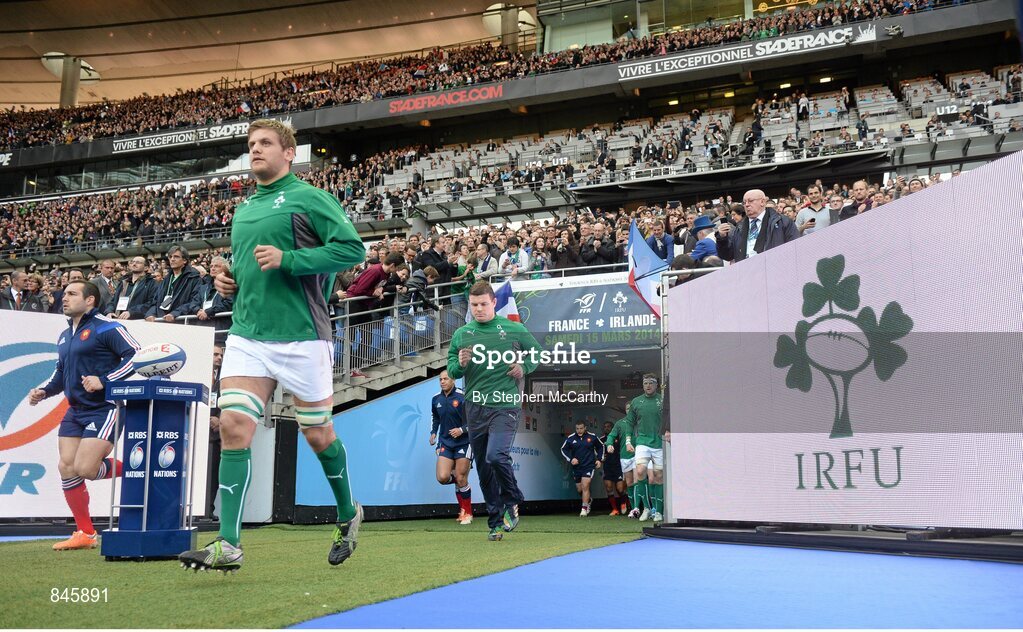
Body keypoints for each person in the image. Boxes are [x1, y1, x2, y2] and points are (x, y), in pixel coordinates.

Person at [178, 119, 365, 573]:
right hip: (248, 336)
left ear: (288, 153)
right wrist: (228, 282)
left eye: (265, 143)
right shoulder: (243, 210)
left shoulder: (310, 198)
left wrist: (291, 260)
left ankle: (347, 513)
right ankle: (228, 543)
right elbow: (247, 274)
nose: (255, 150)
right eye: (250, 145)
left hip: (304, 336)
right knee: (235, 426)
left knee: (318, 434)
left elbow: (352, 251)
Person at [27, 280, 141, 550]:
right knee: (67, 467)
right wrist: (44, 391)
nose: (63, 298)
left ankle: (141, 469)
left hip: (106, 408)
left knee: (86, 469)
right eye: (64, 294)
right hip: (76, 410)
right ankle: (86, 533)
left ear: (90, 300)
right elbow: (60, 373)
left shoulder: (108, 327)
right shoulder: (65, 335)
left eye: (71, 294)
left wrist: (105, 380)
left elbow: (136, 355)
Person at [447, 281, 542, 541]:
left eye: (483, 304)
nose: (478, 309)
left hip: (505, 404)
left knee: (496, 456)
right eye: (474, 305)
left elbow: (537, 353)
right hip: (475, 407)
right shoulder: (462, 334)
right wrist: (460, 364)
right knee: (485, 469)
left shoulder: (514, 329)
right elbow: (452, 369)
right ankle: (495, 522)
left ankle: (512, 499)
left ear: (494, 303)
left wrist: (524, 368)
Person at [429, 370, 473, 525]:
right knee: (442, 477)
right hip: (445, 442)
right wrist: (433, 432)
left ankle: (466, 513)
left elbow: (475, 420)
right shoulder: (436, 399)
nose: (442, 382)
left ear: (453, 380)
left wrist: (461, 430)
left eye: (445, 379)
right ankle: (462, 483)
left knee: (461, 477)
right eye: (440, 379)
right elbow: (435, 417)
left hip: (464, 442)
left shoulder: (463, 397)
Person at [623, 374, 667, 522]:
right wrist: (628, 441)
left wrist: (669, 431)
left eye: (651, 383)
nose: (648, 385)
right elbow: (629, 422)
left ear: (656, 385)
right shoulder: (636, 402)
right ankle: (647, 508)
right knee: (640, 471)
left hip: (659, 442)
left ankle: (659, 512)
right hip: (642, 442)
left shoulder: (663, 400)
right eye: (645, 383)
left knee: (658, 476)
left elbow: (670, 417)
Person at [716, 189, 798, 263]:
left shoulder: (783, 222)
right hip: (748, 273)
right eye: (744, 202)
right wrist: (722, 238)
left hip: (775, 271)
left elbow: (795, 249)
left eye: (750, 201)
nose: (747, 205)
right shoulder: (739, 227)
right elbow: (728, 255)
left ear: (762, 202)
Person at [145, 245, 202, 322]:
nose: (172, 259)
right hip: (163, 322)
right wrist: (150, 314)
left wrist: (175, 313)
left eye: (176, 257)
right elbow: (155, 302)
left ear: (184, 260)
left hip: (182, 322)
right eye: (170, 257)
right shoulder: (166, 280)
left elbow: (194, 302)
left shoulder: (194, 278)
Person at [560, 420, 604, 516]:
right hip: (577, 467)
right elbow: (563, 449)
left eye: (581, 428)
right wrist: (571, 459)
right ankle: (588, 500)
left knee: (585, 485)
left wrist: (599, 459)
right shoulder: (571, 438)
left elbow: (601, 447)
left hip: (589, 465)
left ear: (585, 428)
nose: (579, 430)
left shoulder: (592, 437)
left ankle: (584, 509)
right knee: (579, 489)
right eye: (577, 428)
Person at [605, 402, 640, 517]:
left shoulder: (641, 421)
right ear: (625, 410)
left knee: (637, 481)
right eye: (627, 408)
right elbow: (611, 436)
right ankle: (633, 507)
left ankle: (638, 508)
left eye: (631, 408)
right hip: (625, 456)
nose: (629, 410)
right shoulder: (620, 423)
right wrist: (609, 444)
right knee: (629, 483)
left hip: (638, 454)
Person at [599, 420, 626, 516]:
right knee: (609, 487)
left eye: (609, 426)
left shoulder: (619, 438)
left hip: (618, 466)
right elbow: (597, 451)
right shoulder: (601, 440)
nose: (606, 428)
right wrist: (601, 457)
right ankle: (615, 509)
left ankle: (623, 503)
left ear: (613, 428)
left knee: (620, 488)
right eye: (605, 426)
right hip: (607, 467)